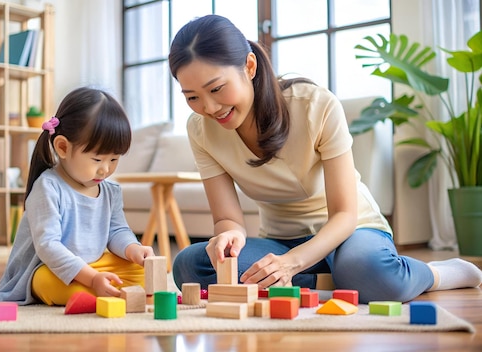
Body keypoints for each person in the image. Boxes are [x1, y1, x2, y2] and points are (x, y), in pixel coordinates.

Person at [168, 14, 482, 304]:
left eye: (217, 88)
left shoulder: (314, 105)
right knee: (190, 267)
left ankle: (439, 273)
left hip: (350, 231)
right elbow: (227, 219)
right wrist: (228, 235)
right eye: (192, 97)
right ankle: (336, 280)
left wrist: (292, 264)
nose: (209, 108)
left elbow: (345, 215)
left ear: (249, 67)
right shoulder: (200, 130)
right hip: (281, 241)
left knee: (368, 271)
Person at [0, 87, 155, 305]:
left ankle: (101, 292)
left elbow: (117, 231)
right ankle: (100, 293)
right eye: (97, 160)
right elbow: (48, 246)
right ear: (63, 147)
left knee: (138, 271)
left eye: (114, 160)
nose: (105, 169)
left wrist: (133, 250)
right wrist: (92, 278)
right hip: (49, 269)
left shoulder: (110, 191)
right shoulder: (48, 187)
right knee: (45, 281)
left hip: (93, 265)